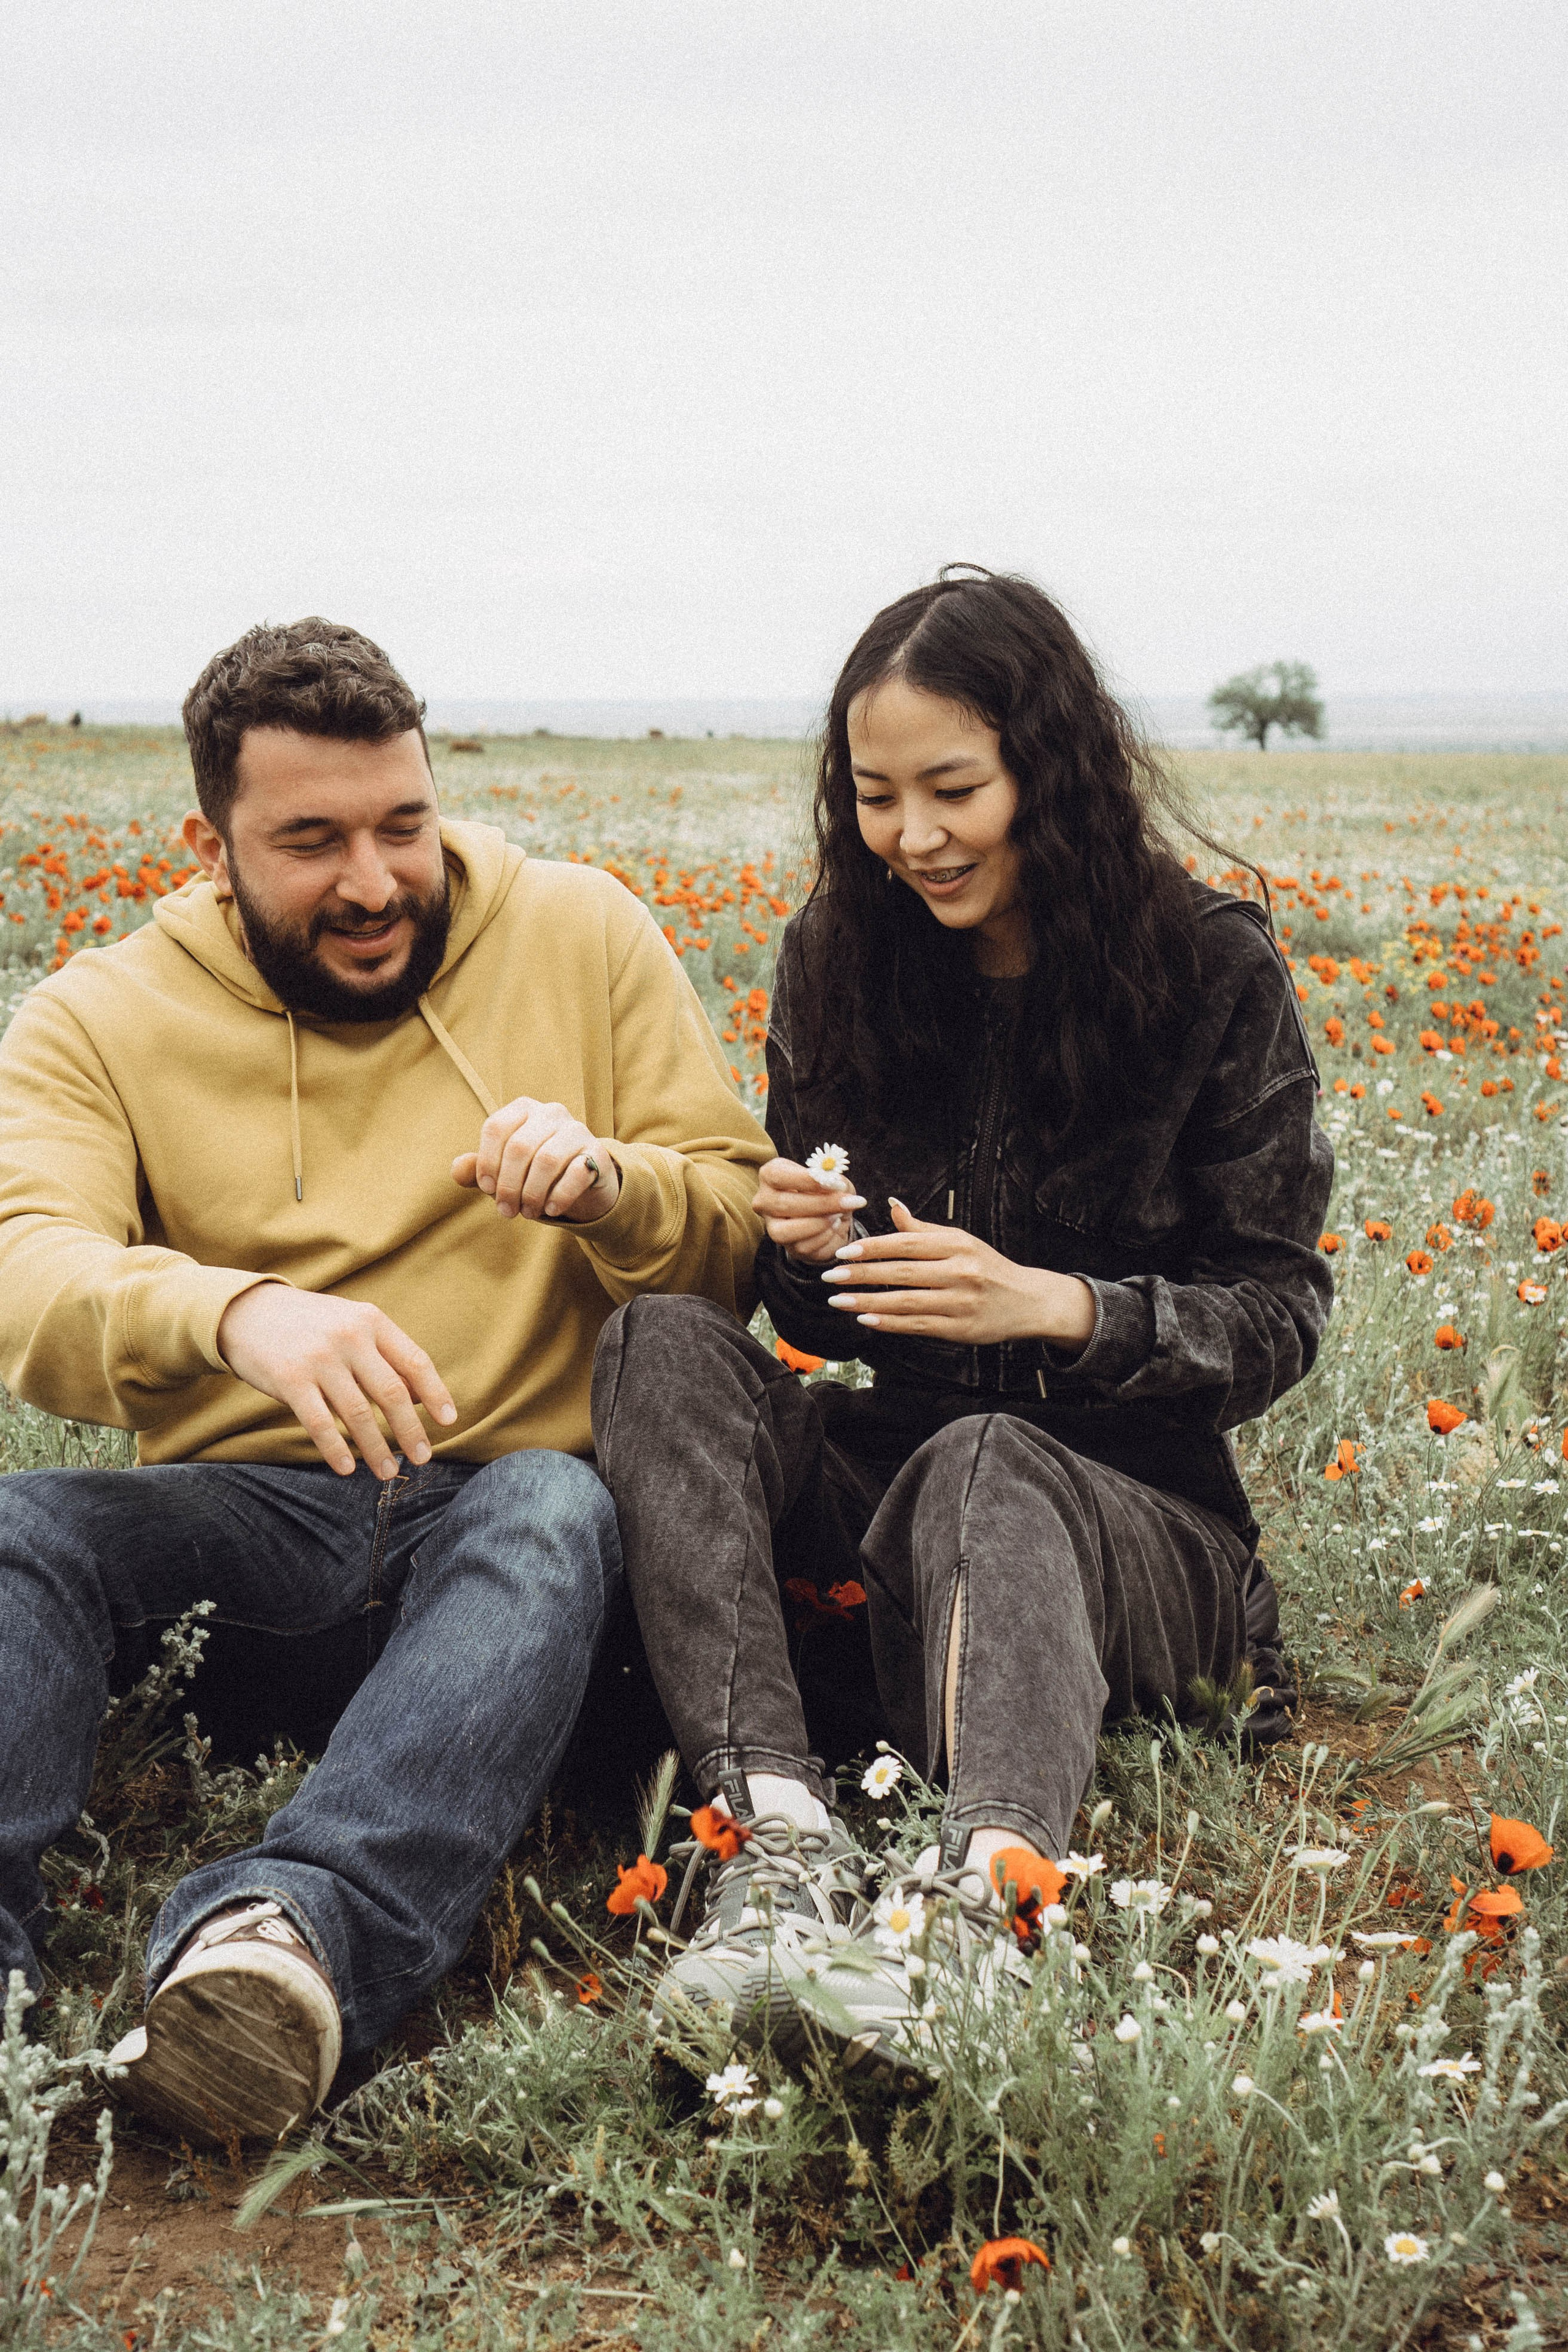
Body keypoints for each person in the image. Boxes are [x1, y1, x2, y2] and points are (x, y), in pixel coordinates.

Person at [0, 619, 769, 2143]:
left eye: (400, 825)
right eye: (311, 841)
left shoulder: (582, 932)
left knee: (550, 1500)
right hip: (252, 1539)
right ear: (211, 846)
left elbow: (736, 1238)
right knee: (20, 1525)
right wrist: (237, 1314)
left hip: (518, 1564)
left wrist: (616, 1189)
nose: (371, 881)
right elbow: (27, 1271)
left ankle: (286, 1944)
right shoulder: (99, 1012)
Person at [593, 569, 1333, 2066]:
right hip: (893, 1485)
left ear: (1045, 773)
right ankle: (777, 1848)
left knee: (992, 1452)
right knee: (658, 1338)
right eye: (875, 797)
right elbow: (830, 1321)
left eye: (952, 789)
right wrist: (805, 1251)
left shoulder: (1205, 974)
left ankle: (982, 1919)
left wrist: (1059, 1308)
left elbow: (1276, 1314)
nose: (912, 837)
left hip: (1139, 1524)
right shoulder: (839, 962)